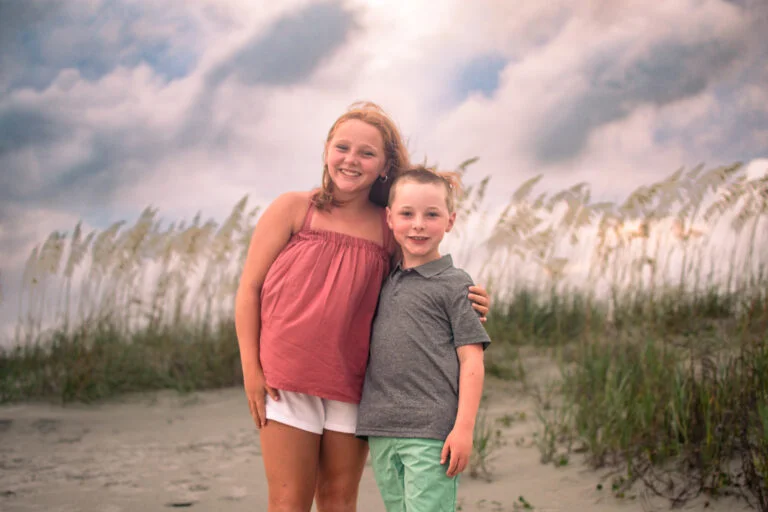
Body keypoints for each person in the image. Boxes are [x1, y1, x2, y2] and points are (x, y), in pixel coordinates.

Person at [234, 102, 490, 512]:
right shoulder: (293, 208)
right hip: (285, 377)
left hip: (353, 383)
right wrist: (251, 368)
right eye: (342, 147)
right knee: (288, 501)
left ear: (385, 165)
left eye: (367, 153)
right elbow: (249, 289)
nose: (351, 159)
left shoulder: (388, 227)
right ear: (326, 150)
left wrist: (471, 296)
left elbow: (420, 280)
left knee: (338, 499)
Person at [356, 166, 491, 512]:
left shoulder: (456, 284)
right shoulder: (383, 278)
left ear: (450, 221)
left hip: (432, 432)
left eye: (431, 215)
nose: (418, 224)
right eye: (407, 214)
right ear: (389, 218)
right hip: (381, 428)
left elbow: (472, 360)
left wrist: (463, 429)